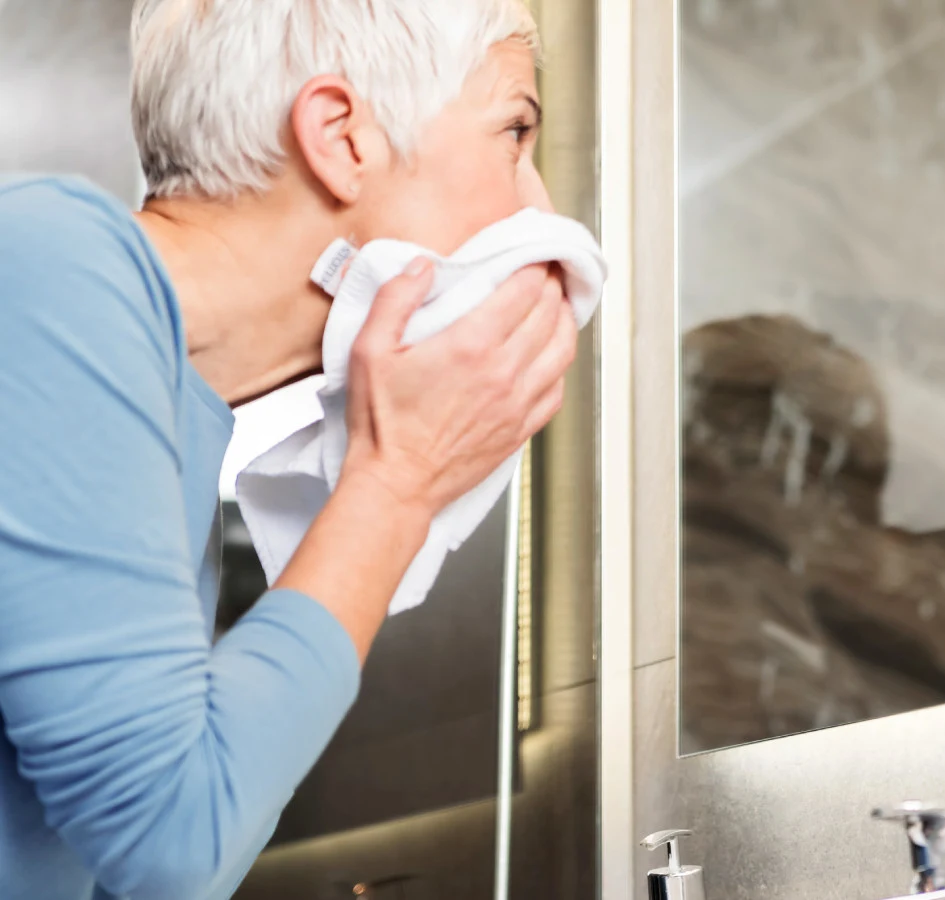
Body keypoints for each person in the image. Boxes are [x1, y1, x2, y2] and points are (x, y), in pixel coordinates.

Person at [0, 2, 577, 897]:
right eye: (515, 131)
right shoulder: (49, 267)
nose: (538, 207)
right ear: (341, 136)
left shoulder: (175, 444)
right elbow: (176, 842)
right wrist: (395, 484)